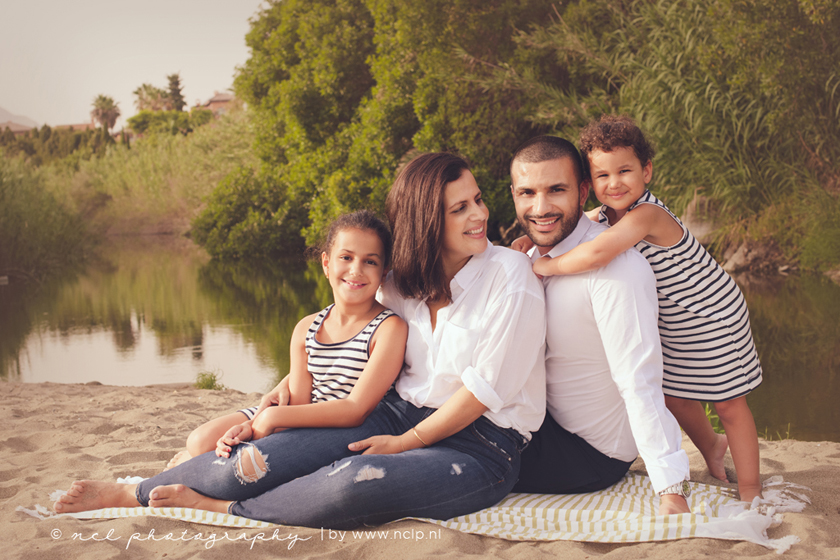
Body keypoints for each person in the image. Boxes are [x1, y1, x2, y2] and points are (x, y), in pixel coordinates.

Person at [54, 153, 547, 529]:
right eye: (459, 208)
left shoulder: (509, 274)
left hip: (482, 446)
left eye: (478, 200)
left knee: (352, 483)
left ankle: (228, 508)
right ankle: (132, 492)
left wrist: (403, 445)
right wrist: (280, 391)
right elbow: (342, 319)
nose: (479, 214)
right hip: (396, 413)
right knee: (255, 458)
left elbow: (483, 392)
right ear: (424, 219)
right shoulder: (399, 280)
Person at [516, 117, 763, 503]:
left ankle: (750, 486)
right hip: (672, 317)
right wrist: (528, 242)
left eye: (625, 171)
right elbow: (575, 227)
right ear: (588, 185)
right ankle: (712, 447)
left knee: (729, 404)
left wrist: (545, 265)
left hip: (710, 314)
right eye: (602, 175)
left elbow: (596, 252)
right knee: (674, 395)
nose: (614, 184)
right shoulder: (603, 215)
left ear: (646, 171)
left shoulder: (647, 215)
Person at [508, 135, 693, 515]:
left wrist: (670, 488)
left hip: (590, 453)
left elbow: (639, 380)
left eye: (556, 190)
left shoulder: (616, 270)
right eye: (527, 193)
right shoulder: (526, 255)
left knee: (457, 448)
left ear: (582, 191)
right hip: (540, 423)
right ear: (513, 194)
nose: (540, 208)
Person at [163, 210, 407, 470]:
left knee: (246, 458)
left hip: (335, 425)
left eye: (370, 261)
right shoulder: (307, 328)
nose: (356, 270)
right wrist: (253, 424)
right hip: (296, 414)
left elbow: (356, 409)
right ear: (326, 264)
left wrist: (271, 419)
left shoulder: (388, 328)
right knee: (199, 441)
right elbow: (300, 400)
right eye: (346, 257)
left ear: (383, 273)